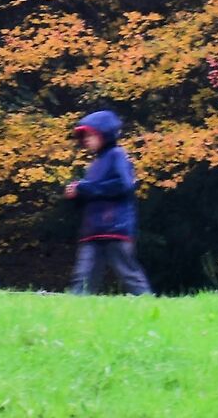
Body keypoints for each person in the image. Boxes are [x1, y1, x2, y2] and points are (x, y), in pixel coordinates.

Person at [65, 110, 152, 296]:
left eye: (91, 134)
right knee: (83, 275)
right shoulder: (95, 164)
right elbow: (94, 192)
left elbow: (124, 185)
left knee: (127, 272)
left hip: (115, 228)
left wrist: (85, 188)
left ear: (104, 134)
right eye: (84, 136)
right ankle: (75, 310)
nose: (86, 140)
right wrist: (77, 194)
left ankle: (147, 303)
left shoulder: (117, 155)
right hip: (93, 230)